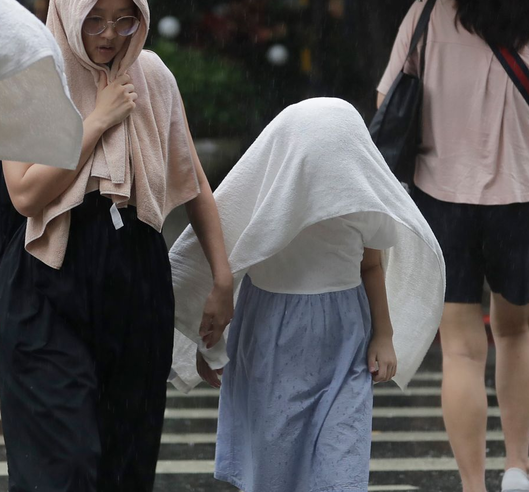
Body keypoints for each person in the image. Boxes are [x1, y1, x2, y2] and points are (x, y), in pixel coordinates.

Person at [0, 0, 233, 492]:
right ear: (68, 11)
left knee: (126, 461)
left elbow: (194, 182)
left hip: (135, 279)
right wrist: (95, 123)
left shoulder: (151, 76)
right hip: (48, 276)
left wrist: (222, 278)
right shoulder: (30, 74)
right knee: (62, 465)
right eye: (94, 19)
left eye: (125, 19)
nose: (108, 35)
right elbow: (26, 194)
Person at [377, 0, 529, 492]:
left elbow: (386, 104)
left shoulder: (426, 15)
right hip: (525, 200)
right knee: (517, 334)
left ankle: (474, 485)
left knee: (462, 350)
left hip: (443, 201)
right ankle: (518, 470)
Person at [168, 98, 445, 492]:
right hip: (269, 346)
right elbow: (226, 270)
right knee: (273, 471)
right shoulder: (266, 203)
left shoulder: (363, 203)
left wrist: (384, 334)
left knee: (342, 469)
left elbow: (371, 266)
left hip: (344, 346)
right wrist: (207, 341)